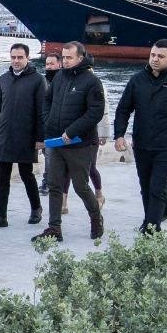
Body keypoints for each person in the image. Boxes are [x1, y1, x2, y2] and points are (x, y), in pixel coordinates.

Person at [113, 39, 167, 234]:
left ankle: (152, 230)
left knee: (157, 188)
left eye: (160, 56)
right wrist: (119, 134)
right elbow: (123, 109)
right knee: (146, 187)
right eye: (153, 55)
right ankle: (154, 218)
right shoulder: (137, 80)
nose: (155, 59)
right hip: (142, 144)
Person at [34, 40, 106, 243]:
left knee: (81, 186)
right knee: (55, 185)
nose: (65, 61)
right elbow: (47, 101)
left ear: (80, 58)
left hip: (79, 143)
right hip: (56, 142)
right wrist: (48, 122)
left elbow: (95, 112)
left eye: (69, 58)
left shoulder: (92, 81)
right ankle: (54, 228)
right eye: (63, 57)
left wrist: (72, 131)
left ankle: (96, 219)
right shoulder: (59, 77)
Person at [0, 43, 45, 229]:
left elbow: (41, 112)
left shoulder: (38, 80)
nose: (16, 61)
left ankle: (36, 208)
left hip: (26, 135)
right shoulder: (4, 79)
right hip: (4, 134)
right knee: (2, 177)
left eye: (20, 57)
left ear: (27, 58)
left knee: (27, 174)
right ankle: (0, 216)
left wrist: (40, 138)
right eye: (13, 57)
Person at [39, 51, 62, 195]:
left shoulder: (63, 81)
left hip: (57, 126)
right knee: (47, 155)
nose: (48, 66)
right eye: (47, 64)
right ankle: (49, 182)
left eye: (52, 64)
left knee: (50, 155)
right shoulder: (42, 81)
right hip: (44, 125)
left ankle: (48, 183)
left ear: (59, 64)